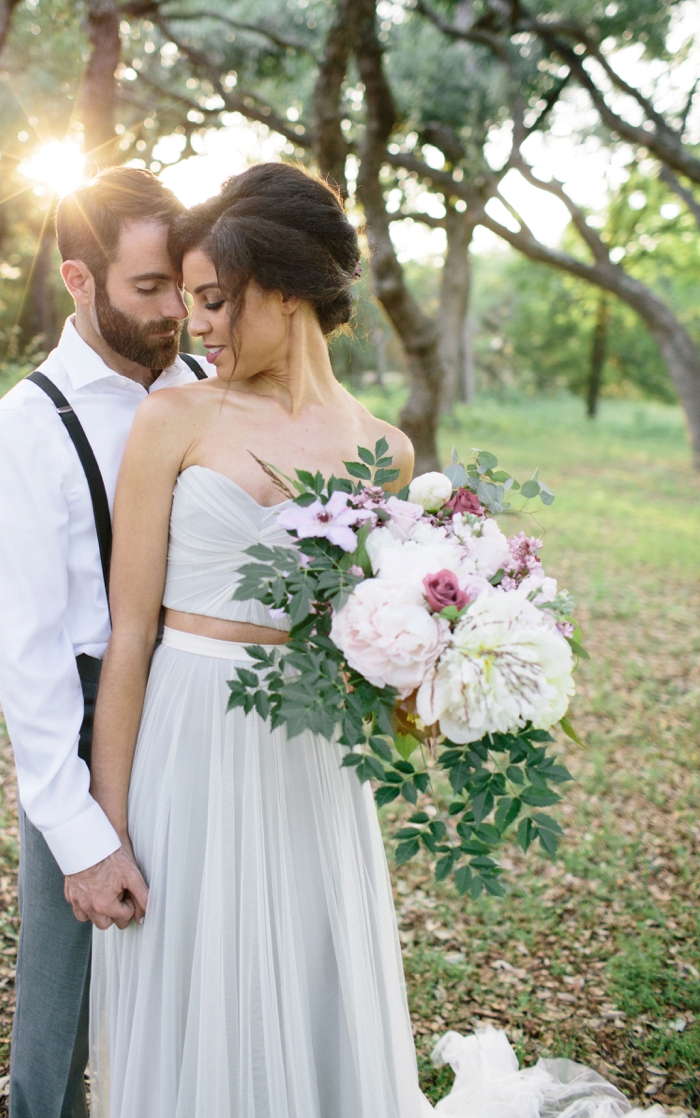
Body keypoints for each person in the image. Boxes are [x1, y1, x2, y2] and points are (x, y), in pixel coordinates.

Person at [86, 162, 664, 1118]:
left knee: (307, 970)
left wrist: (440, 656)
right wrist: (107, 828)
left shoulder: (384, 451)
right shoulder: (174, 416)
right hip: (186, 742)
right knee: (196, 976)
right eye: (191, 303)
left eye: (216, 300)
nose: (198, 326)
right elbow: (130, 633)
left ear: (282, 289)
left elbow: (359, 637)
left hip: (309, 756)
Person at [0, 167, 209, 1118]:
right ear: (79, 279)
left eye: (183, 290)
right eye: (149, 289)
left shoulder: (208, 384)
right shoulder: (26, 430)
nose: (174, 316)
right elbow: (24, 661)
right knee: (64, 1000)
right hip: (78, 719)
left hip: (199, 713)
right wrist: (79, 838)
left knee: (197, 950)